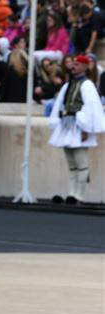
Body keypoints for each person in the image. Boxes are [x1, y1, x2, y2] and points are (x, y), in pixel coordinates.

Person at [47, 55, 105, 204]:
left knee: (81, 162)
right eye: (73, 64)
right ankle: (72, 193)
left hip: (79, 126)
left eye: (77, 64)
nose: (73, 67)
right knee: (72, 163)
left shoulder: (87, 85)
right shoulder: (69, 84)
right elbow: (61, 103)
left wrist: (86, 128)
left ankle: (80, 195)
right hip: (67, 124)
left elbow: (91, 108)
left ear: (85, 67)